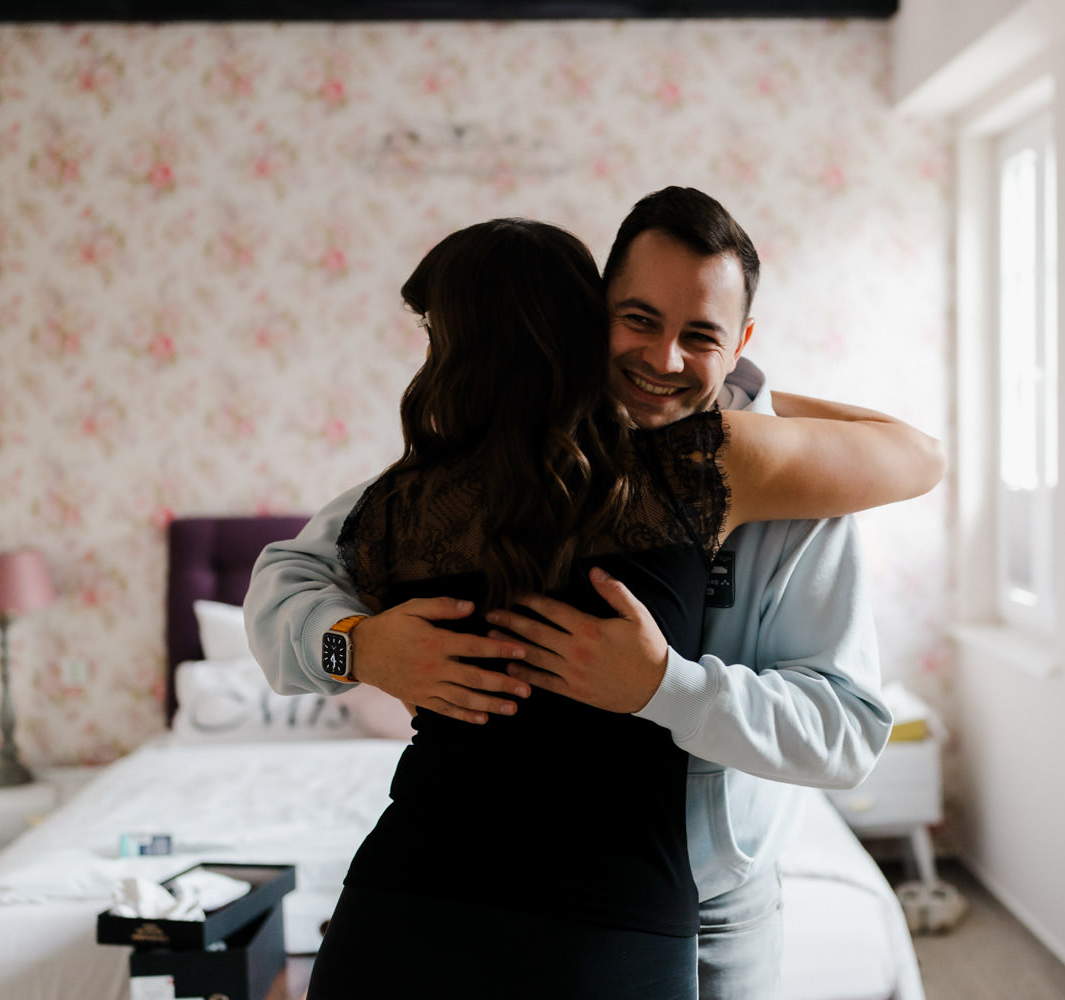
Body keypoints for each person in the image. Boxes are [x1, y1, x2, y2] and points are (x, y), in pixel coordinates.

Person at [247, 189, 946, 998]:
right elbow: (283, 585)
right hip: (453, 883)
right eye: (639, 322)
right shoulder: (435, 490)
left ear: (743, 346)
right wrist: (359, 648)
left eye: (701, 337)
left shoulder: (757, 472)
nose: (663, 362)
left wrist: (664, 688)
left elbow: (851, 730)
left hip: (711, 898)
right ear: (590, 317)